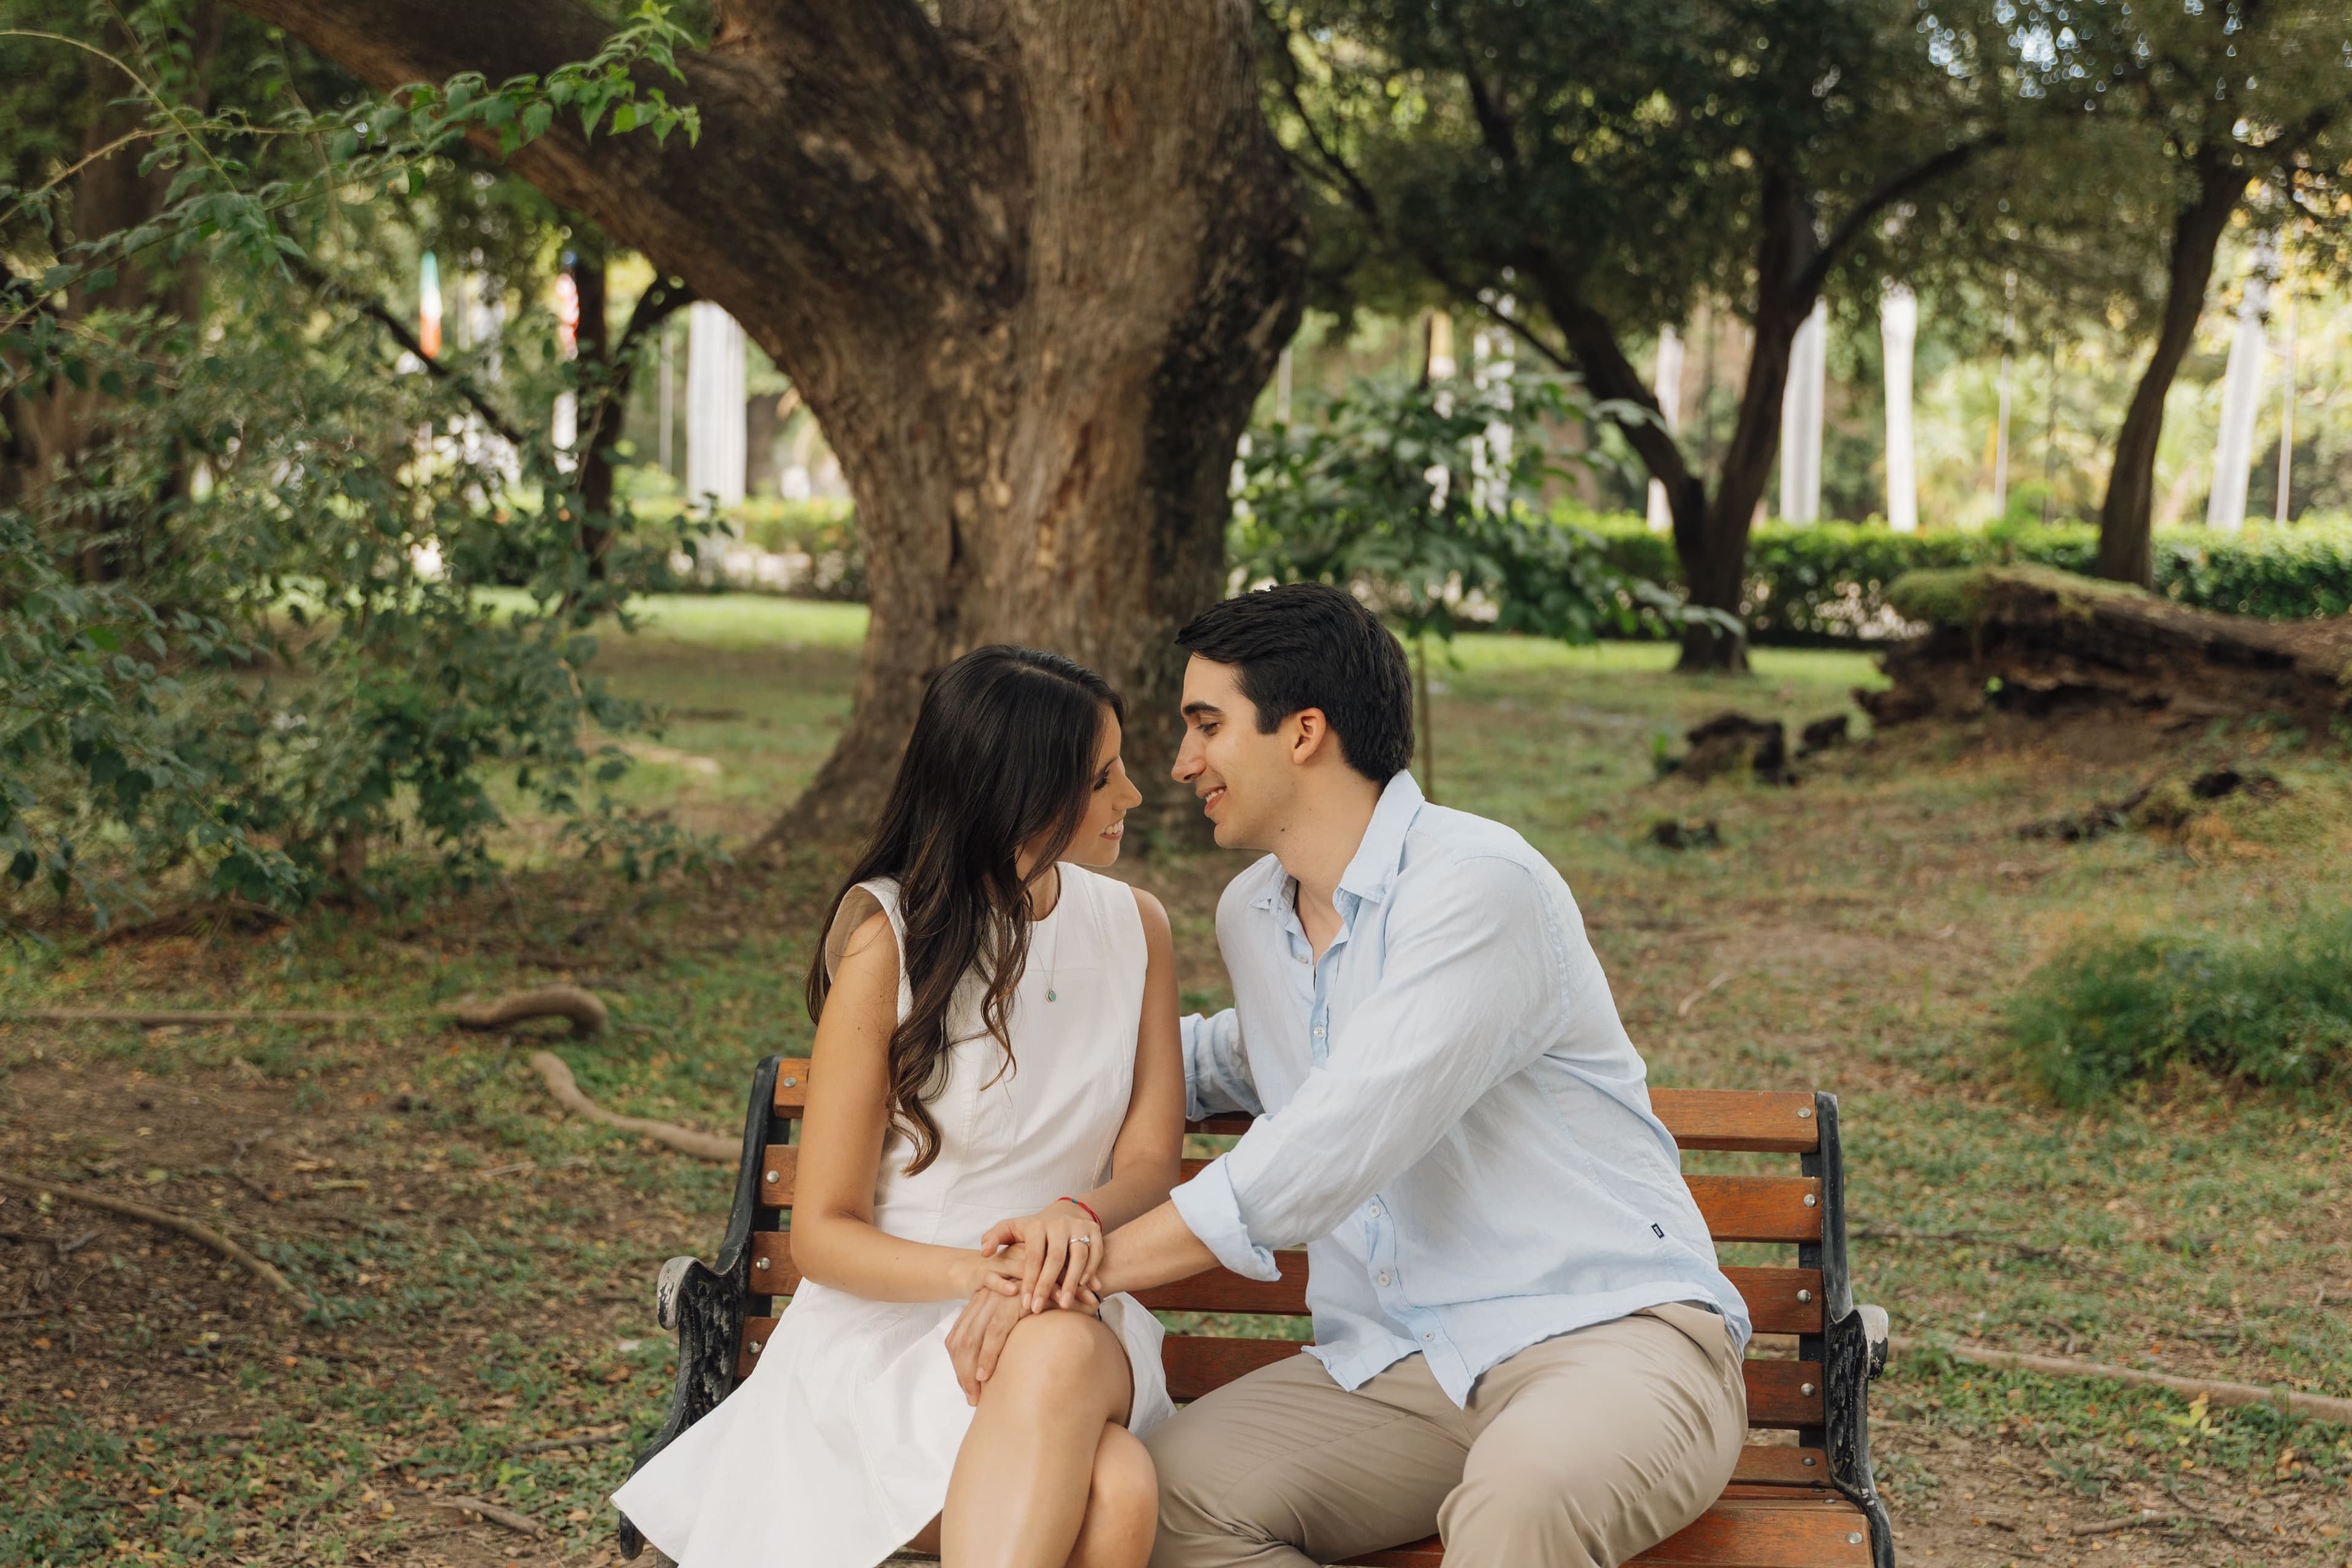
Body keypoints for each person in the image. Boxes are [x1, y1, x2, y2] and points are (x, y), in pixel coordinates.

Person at [952, 583, 1754, 1568]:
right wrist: (1003, 1044)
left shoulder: (1478, 887)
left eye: (1206, 725)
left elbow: (1334, 1139)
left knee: (1520, 1504)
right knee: (1166, 1506)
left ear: (1304, 732)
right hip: (1396, 1369)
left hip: (1603, 1336)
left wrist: (1074, 1272)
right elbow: (1251, 1054)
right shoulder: (1254, 913)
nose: (1180, 764)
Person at [614, 646, 1187, 1568]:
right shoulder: (890, 942)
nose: (1132, 796)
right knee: (1116, 1490)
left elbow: (1152, 1164)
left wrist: (1067, 1224)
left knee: (1056, 1350)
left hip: (1080, 1316)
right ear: (1022, 792)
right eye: (1102, 777)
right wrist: (988, 1279)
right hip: (890, 1340)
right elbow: (825, 1235)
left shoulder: (1139, 928)